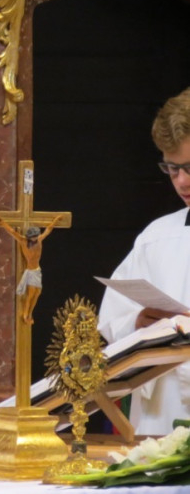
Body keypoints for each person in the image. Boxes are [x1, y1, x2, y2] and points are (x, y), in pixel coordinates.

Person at [98, 87, 190, 435]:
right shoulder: (157, 238)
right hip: (161, 415)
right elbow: (112, 321)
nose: (181, 182)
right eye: (172, 168)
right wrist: (138, 322)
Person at [0, 215, 63, 325]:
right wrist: (2, 222)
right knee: (31, 294)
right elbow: (12, 232)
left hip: (37, 270)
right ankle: (26, 314)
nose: (35, 238)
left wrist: (56, 220)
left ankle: (30, 313)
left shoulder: (39, 240)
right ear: (29, 236)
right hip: (30, 271)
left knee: (38, 293)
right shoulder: (23, 241)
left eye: (36, 236)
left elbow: (48, 230)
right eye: (33, 237)